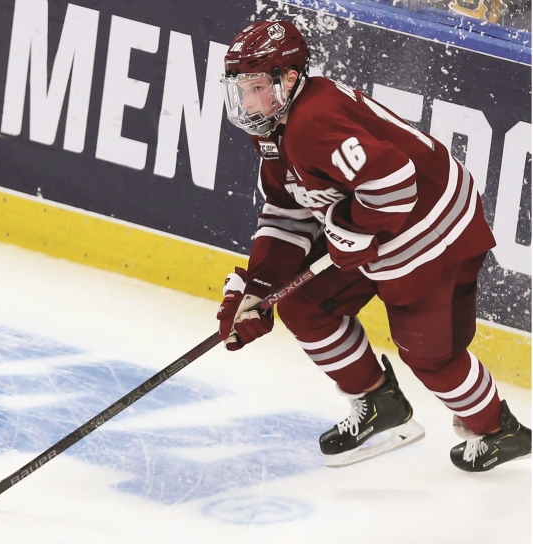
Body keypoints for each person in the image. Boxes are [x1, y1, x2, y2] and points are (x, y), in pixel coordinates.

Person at [216, 19, 531, 471]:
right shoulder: (272, 127)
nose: (246, 101)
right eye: (240, 88)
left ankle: (499, 430)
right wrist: (259, 285)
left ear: (289, 78)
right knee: (305, 305)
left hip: (432, 230)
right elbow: (288, 209)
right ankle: (378, 401)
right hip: (379, 226)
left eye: (255, 87)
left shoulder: (311, 123)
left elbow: (395, 184)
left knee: (430, 354)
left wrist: (350, 228)